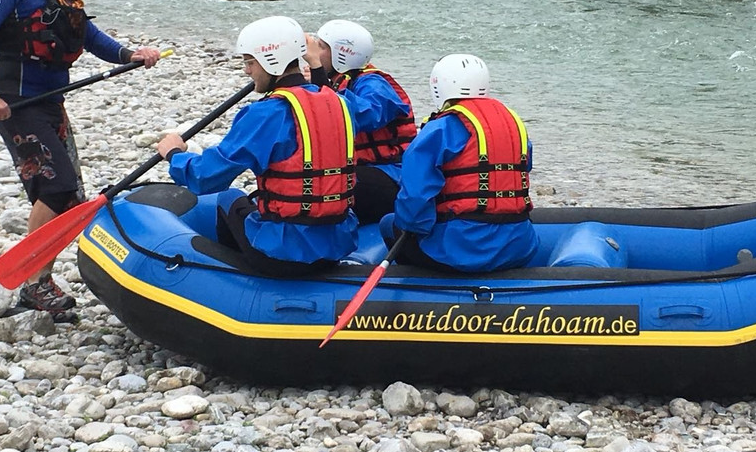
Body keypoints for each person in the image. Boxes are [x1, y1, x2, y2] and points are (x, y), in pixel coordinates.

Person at [0, 0, 161, 320]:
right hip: (16, 104)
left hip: (51, 104)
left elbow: (89, 36)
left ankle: (40, 281)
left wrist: (130, 54)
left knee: (69, 196)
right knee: (56, 188)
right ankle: (33, 282)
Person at [156, 16, 360, 276]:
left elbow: (205, 178)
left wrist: (174, 155)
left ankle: (234, 282)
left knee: (229, 198)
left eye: (249, 62)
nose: (247, 71)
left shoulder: (266, 113)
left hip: (284, 253)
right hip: (338, 245)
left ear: (269, 60)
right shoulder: (342, 103)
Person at [381, 54, 538, 272]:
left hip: (464, 249)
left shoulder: (439, 129)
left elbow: (415, 198)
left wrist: (414, 225)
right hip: (521, 246)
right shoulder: (514, 125)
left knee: (389, 224)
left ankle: (418, 288)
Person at [305, 19, 416, 224]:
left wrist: (318, 75)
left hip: (391, 177)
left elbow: (365, 115)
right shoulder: (334, 82)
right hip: (363, 171)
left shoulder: (373, 83)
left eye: (320, 47)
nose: (314, 52)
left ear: (342, 54)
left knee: (331, 186)